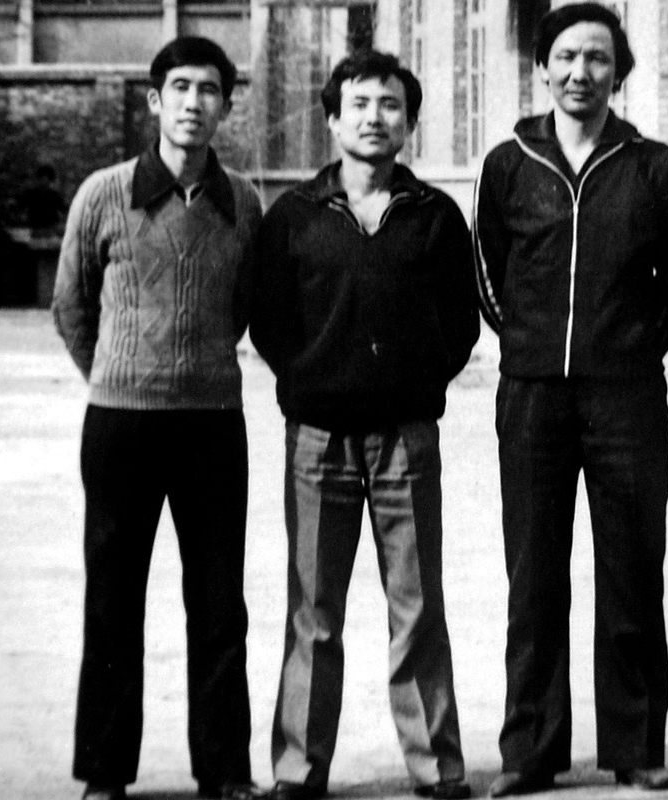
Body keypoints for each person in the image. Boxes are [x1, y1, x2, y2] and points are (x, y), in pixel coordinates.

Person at [248, 50, 479, 800]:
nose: (374, 117)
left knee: (417, 606)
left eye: (390, 105)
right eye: (359, 104)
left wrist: (413, 382)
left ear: (408, 122)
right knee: (314, 608)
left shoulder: (435, 216)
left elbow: (460, 323)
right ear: (332, 119)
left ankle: (436, 765)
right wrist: (312, 378)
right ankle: (298, 768)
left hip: (406, 436)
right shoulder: (294, 215)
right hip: (317, 439)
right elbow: (269, 320)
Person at [472, 3, 668, 795]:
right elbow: (488, 267)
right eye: (565, 56)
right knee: (534, 577)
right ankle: (531, 751)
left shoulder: (651, 165)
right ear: (542, 67)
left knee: (631, 570)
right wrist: (531, 342)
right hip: (533, 396)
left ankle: (636, 747)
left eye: (597, 58)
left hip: (626, 397)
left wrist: (631, 346)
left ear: (619, 71)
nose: (580, 73)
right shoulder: (509, 162)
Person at [51, 36, 263, 800]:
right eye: (179, 87)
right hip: (121, 427)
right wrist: (119, 374)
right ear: (154, 100)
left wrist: (195, 364)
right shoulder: (103, 194)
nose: (193, 103)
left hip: (213, 424)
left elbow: (245, 305)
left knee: (219, 604)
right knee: (114, 600)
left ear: (226, 106)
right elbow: (71, 305)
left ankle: (225, 771)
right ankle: (105, 772)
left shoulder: (244, 202)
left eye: (209, 90)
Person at [18, 164, 67, 234]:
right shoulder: (31, 194)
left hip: (50, 228)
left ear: (50, 180)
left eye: (46, 179)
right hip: (34, 227)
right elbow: (21, 209)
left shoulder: (55, 195)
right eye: (42, 179)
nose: (44, 181)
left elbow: (64, 210)